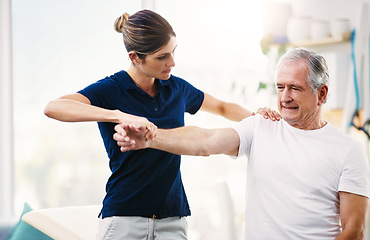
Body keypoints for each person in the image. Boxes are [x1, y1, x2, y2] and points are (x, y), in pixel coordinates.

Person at [43, 9, 280, 240]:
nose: (172, 62)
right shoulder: (111, 89)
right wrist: (118, 115)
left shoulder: (176, 88)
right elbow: (54, 107)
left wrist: (257, 118)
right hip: (124, 219)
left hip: (172, 218)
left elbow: (222, 107)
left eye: (173, 52)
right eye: (162, 57)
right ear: (135, 57)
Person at [114, 48, 370, 240]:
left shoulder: (347, 150)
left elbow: (353, 230)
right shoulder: (261, 126)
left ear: (321, 94)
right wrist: (151, 138)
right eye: (280, 87)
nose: (284, 97)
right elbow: (206, 141)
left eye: (295, 88)